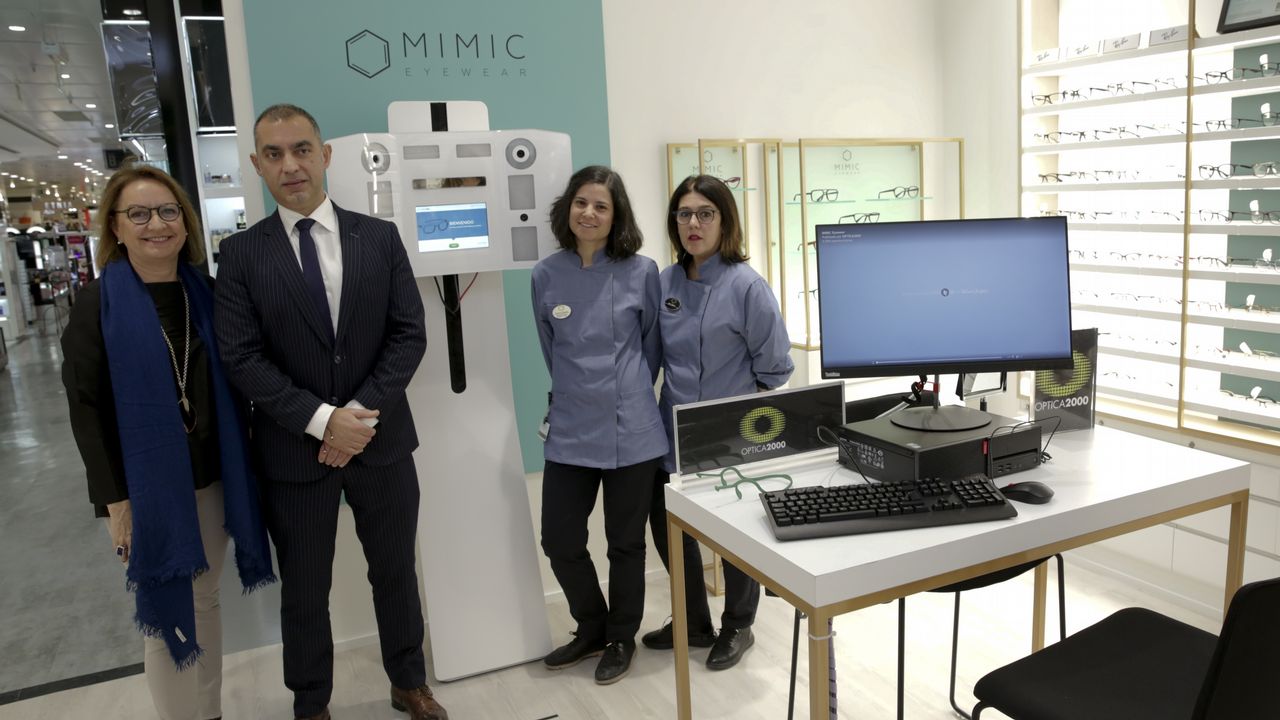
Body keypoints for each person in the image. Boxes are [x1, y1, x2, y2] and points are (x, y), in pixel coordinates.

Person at [213, 104, 446, 720]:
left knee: (395, 572)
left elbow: (409, 334)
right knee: (305, 588)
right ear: (258, 164)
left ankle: (409, 682)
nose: (290, 165)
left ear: (325, 154)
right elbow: (241, 357)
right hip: (294, 451)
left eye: (301, 149)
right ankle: (311, 702)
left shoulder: (380, 237)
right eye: (274, 154)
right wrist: (322, 420)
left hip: (381, 443)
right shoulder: (240, 255)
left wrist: (357, 417)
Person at [61, 164, 276, 720]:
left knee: (205, 599)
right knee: (166, 609)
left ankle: (209, 711)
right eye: (138, 214)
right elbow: (85, 409)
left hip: (212, 476)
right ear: (115, 226)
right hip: (144, 489)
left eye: (167, 211)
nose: (156, 224)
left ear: (185, 221)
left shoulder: (208, 294)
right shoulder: (97, 305)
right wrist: (115, 501)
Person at [644, 174, 794, 670]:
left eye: (705, 213)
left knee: (735, 534)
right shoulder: (664, 282)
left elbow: (775, 369)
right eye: (684, 214)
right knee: (670, 527)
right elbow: (654, 356)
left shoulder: (747, 286)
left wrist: (739, 413)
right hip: (673, 429)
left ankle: (738, 625)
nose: (694, 223)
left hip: (732, 434)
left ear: (724, 221)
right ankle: (693, 622)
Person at [532, 165, 667, 685]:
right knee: (559, 539)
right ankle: (591, 627)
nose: (589, 213)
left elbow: (651, 347)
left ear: (616, 217)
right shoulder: (545, 275)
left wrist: (623, 393)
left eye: (601, 206)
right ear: (568, 208)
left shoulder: (642, 271)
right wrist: (580, 394)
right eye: (581, 202)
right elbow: (551, 350)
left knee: (625, 544)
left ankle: (621, 637)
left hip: (631, 428)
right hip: (570, 428)